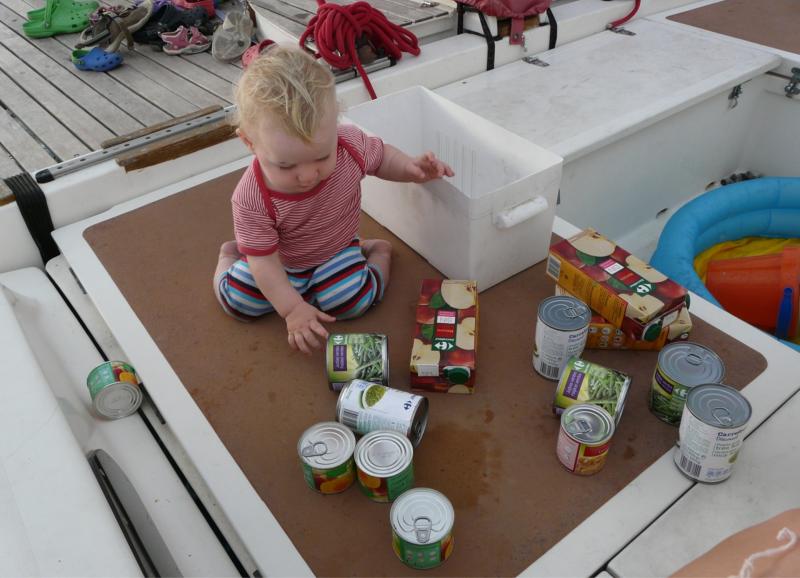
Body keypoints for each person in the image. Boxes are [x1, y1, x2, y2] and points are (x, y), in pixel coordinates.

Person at [214, 45, 454, 354]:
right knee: (239, 303)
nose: (307, 176)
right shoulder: (252, 198)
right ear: (249, 142)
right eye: (285, 165)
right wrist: (292, 309)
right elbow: (264, 263)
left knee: (352, 301)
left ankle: (376, 251)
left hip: (336, 249)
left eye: (321, 157)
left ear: (335, 126)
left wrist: (410, 168)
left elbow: (382, 158)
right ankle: (229, 256)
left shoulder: (348, 145)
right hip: (279, 262)